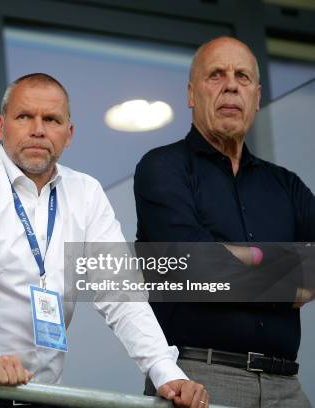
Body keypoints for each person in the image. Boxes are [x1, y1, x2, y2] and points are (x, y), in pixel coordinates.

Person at [0, 73, 208, 408]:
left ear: (68, 135)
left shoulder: (86, 192)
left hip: (41, 394)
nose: (38, 129)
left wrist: (165, 371)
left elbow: (120, 290)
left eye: (51, 119)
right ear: (1, 126)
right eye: (24, 116)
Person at [134, 36, 314, 407]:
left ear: (257, 97)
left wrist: (230, 264)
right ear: (191, 94)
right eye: (216, 75)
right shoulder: (162, 168)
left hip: (287, 386)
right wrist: (288, 273)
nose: (231, 84)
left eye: (243, 77)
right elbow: (195, 266)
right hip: (199, 379)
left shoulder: (286, 185)